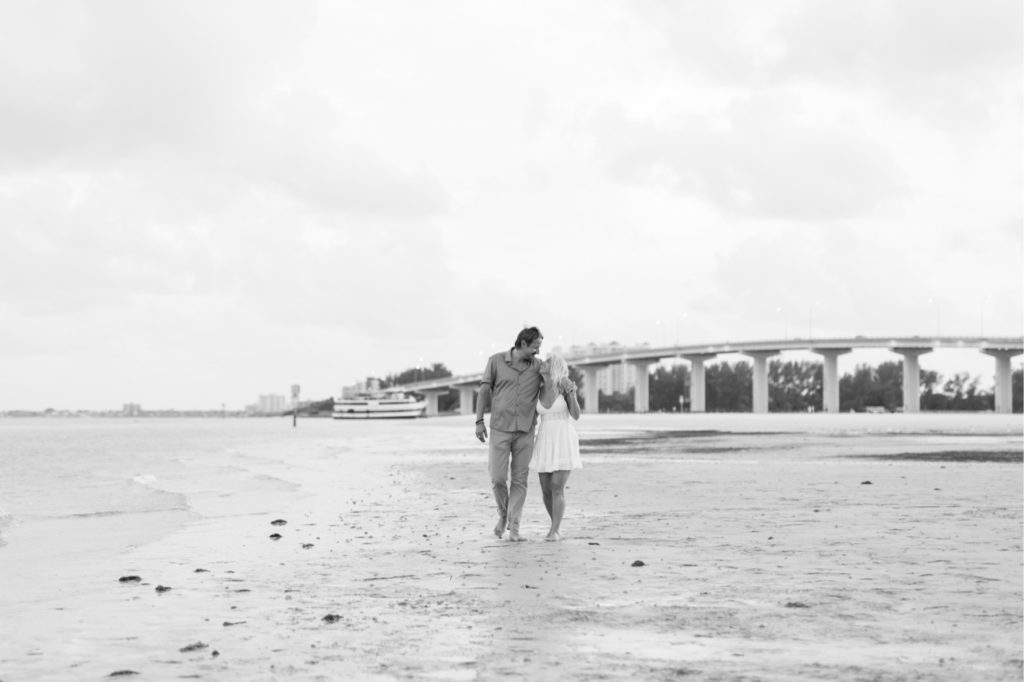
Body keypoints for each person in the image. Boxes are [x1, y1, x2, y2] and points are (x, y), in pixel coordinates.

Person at [475, 327, 544, 542]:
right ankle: (503, 515)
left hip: (525, 431)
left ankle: (514, 528)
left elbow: (554, 381)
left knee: (520, 481)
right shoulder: (495, 361)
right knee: (497, 478)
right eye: (535, 347)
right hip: (500, 429)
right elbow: (484, 391)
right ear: (523, 344)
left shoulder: (539, 367)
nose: (538, 352)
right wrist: (479, 421)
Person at [530, 352, 582, 541]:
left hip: (563, 438)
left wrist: (572, 394)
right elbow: (533, 416)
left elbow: (576, 415)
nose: (542, 363)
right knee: (545, 489)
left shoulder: (564, 384)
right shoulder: (538, 387)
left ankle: (555, 530)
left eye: (547, 361)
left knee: (556, 486)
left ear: (555, 366)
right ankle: (555, 526)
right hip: (545, 438)